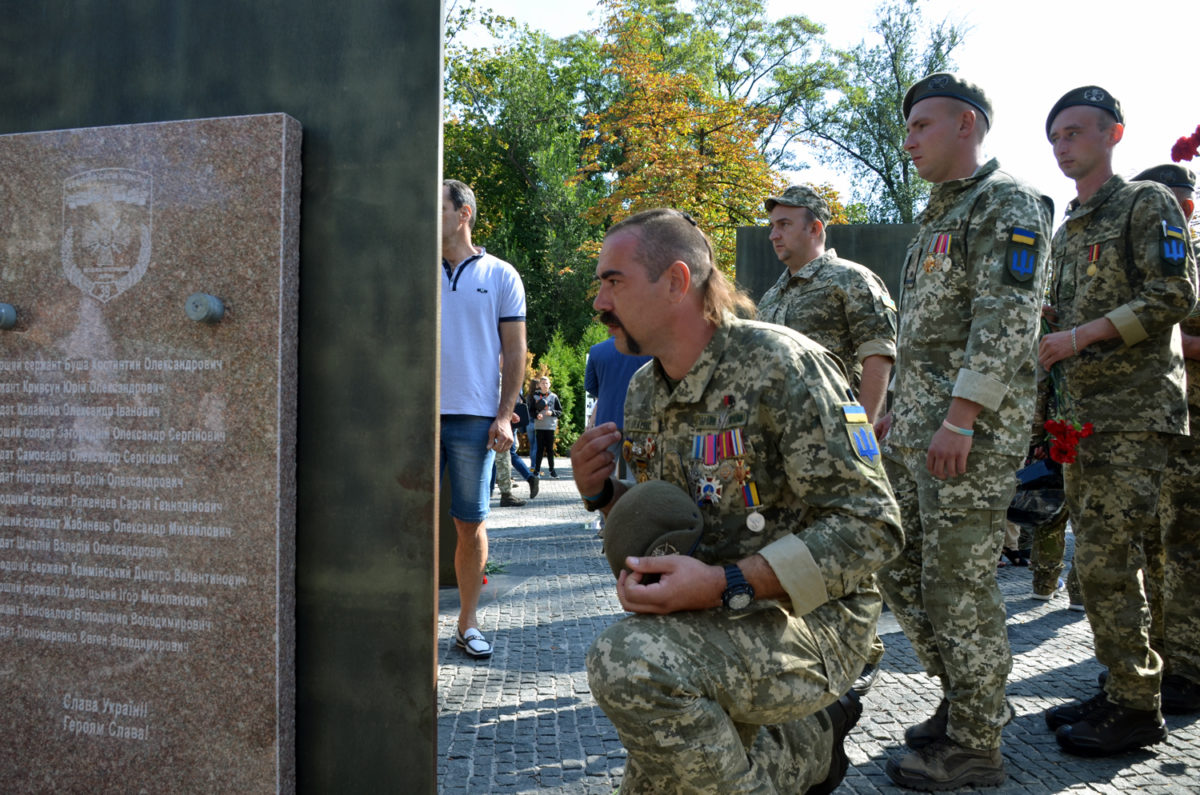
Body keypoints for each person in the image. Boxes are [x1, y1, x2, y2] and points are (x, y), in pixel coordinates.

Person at [571, 208, 903, 793]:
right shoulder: (647, 389)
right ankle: (809, 743)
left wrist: (728, 582)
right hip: (714, 621)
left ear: (676, 282)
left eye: (612, 281)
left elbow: (872, 526)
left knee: (630, 662)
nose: (599, 301)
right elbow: (681, 517)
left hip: (814, 624)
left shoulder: (785, 366)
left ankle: (810, 723)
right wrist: (604, 494)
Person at [874, 73, 1053, 789]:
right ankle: (967, 695)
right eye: (909, 126)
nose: (909, 139)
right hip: (918, 424)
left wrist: (961, 418)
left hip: (967, 434)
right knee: (900, 564)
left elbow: (1005, 324)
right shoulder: (935, 214)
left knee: (957, 581)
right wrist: (897, 409)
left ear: (967, 127)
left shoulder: (1006, 204)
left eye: (922, 125)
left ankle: (977, 741)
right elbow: (921, 335)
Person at [1037, 88, 1197, 754]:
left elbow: (1174, 293)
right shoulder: (1070, 226)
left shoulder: (1145, 204)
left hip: (1134, 414)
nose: (1064, 145)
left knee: (1113, 560)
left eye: (1075, 132)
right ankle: (1125, 685)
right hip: (1084, 420)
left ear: (1113, 134)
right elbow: (1051, 316)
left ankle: (1136, 705)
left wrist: (1081, 336)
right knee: (1100, 560)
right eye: (1055, 137)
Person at [760, 183, 898, 696]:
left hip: (834, 440)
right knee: (797, 544)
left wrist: (860, 432)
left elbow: (878, 353)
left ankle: (864, 650)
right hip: (783, 447)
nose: (775, 234)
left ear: (816, 228)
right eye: (772, 226)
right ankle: (816, 642)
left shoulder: (850, 280)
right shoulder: (774, 294)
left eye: (785, 224)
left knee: (846, 542)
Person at [440, 179, 527, 659]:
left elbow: (515, 350)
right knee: (404, 522)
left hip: (475, 418)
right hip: (415, 417)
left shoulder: (500, 275)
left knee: (469, 523)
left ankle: (466, 623)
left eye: (437, 208)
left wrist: (506, 414)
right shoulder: (415, 270)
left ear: (463, 213)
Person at [1130, 163, 1200, 715]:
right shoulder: (1146, 256)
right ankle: (1163, 659)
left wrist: (1160, 329)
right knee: (1156, 544)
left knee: (1187, 548)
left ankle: (1191, 668)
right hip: (1162, 424)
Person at [584, 336, 651, 479]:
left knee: (605, 473)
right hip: (638, 420)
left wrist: (607, 395)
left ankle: (607, 501)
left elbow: (590, 385)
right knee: (636, 474)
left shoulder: (596, 351)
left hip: (607, 419)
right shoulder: (647, 350)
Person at [528, 376, 563, 478]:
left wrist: (552, 412)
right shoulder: (535, 397)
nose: (545, 385)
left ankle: (552, 470)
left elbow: (559, 411)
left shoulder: (554, 397)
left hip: (550, 426)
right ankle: (536, 470)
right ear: (539, 385)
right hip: (539, 426)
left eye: (547, 383)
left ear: (550, 384)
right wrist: (536, 415)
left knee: (550, 450)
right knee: (539, 449)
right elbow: (531, 411)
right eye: (543, 383)